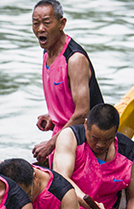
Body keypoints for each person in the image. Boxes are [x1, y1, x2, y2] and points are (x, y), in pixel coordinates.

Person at [53, 103, 134, 209]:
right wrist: (90, 204)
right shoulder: (70, 137)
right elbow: (61, 179)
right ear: (86, 124)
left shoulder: (130, 153)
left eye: (108, 139)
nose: (100, 144)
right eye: (94, 138)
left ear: (115, 133)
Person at [31, 0, 104, 165]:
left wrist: (51, 143)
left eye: (46, 23)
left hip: (84, 140)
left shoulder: (75, 59)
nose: (40, 29)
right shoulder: (47, 53)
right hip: (62, 134)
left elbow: (83, 113)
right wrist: (54, 117)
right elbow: (70, 101)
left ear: (62, 24)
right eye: (36, 23)